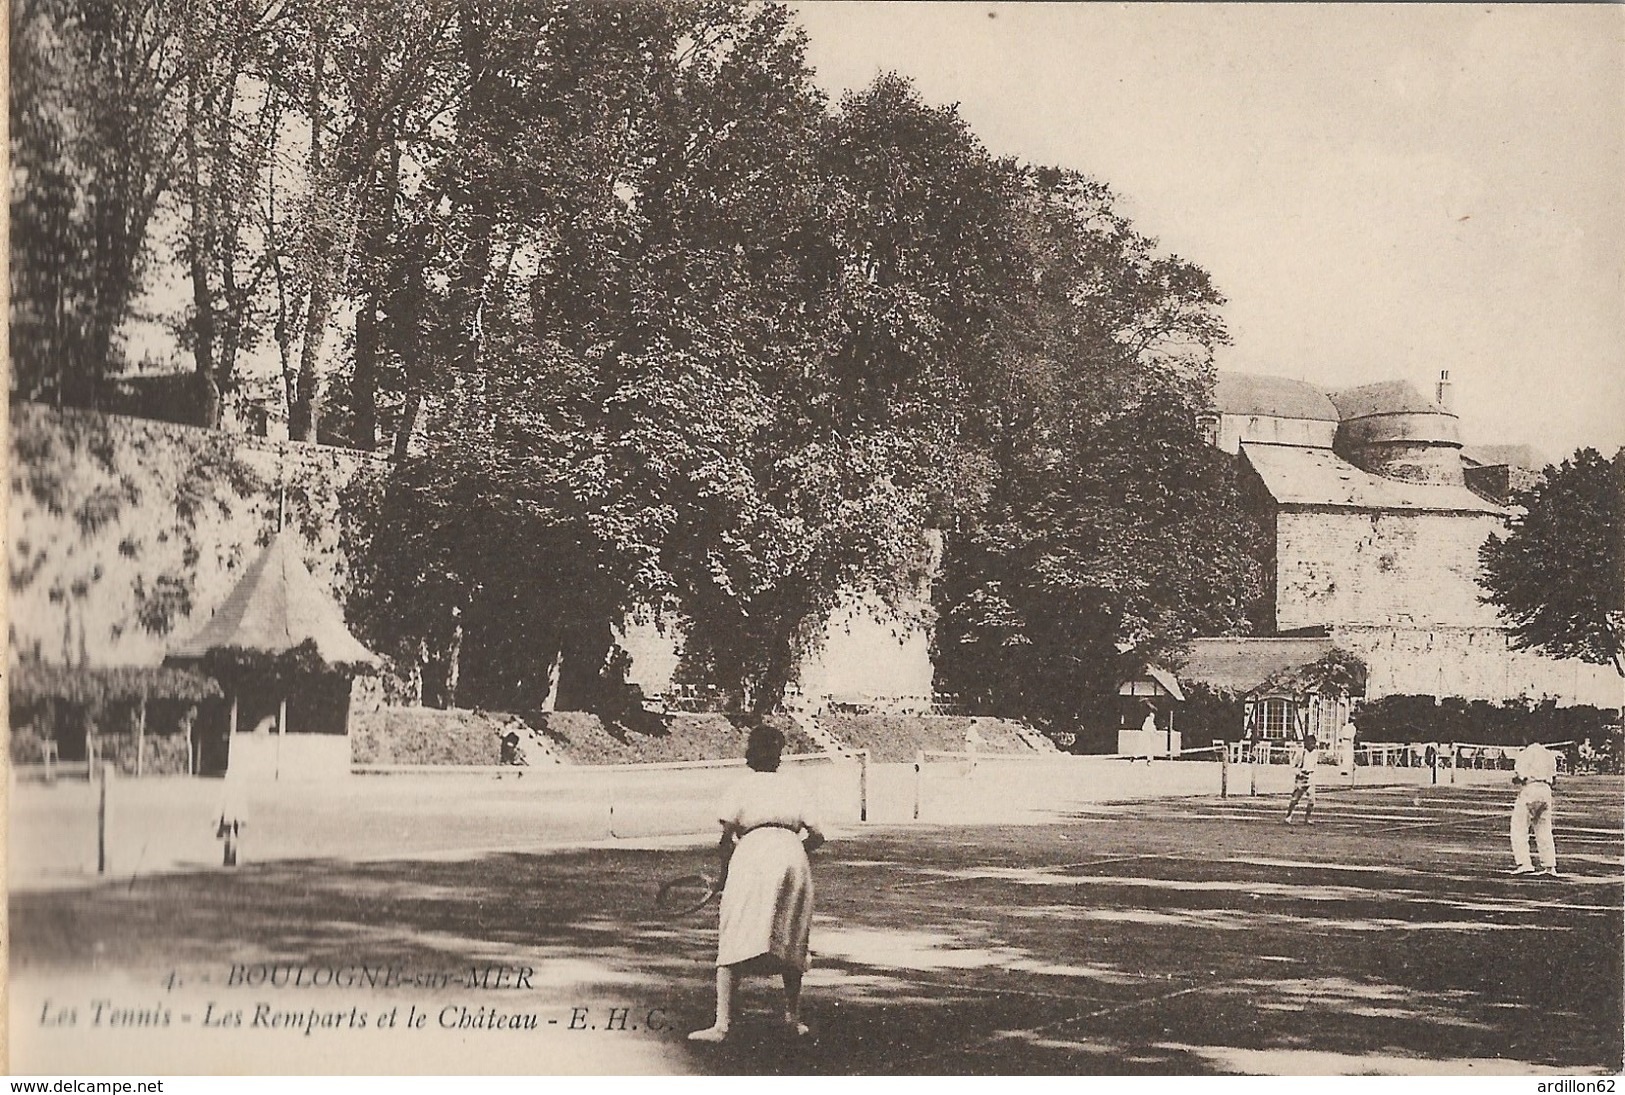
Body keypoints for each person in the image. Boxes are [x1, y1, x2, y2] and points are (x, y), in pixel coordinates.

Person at [690, 724, 827, 1043]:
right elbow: (818, 836)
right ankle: (792, 1019)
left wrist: (724, 876)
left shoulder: (741, 786)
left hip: (752, 855)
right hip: (793, 859)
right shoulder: (795, 787)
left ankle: (722, 1025)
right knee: (792, 936)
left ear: (751, 752)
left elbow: (725, 841)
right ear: (779, 754)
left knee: (735, 930)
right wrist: (791, 851)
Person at [1508, 737, 1559, 877]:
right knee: (1544, 828)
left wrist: (1516, 779)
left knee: (1519, 827)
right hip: (1545, 790)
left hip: (1531, 789)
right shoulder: (1549, 754)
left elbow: (1520, 777)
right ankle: (1550, 865)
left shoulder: (1525, 754)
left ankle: (1524, 863)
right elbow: (1554, 779)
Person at [1284, 735, 1319, 825]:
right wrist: (1299, 773)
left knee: (1311, 800)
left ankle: (1307, 818)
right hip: (1301, 778)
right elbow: (1293, 766)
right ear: (1306, 744)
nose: (1313, 746)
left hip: (1310, 777)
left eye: (1314, 744)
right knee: (1295, 799)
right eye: (1311, 743)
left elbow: (1314, 765)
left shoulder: (1315, 753)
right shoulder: (1301, 753)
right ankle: (1288, 816)